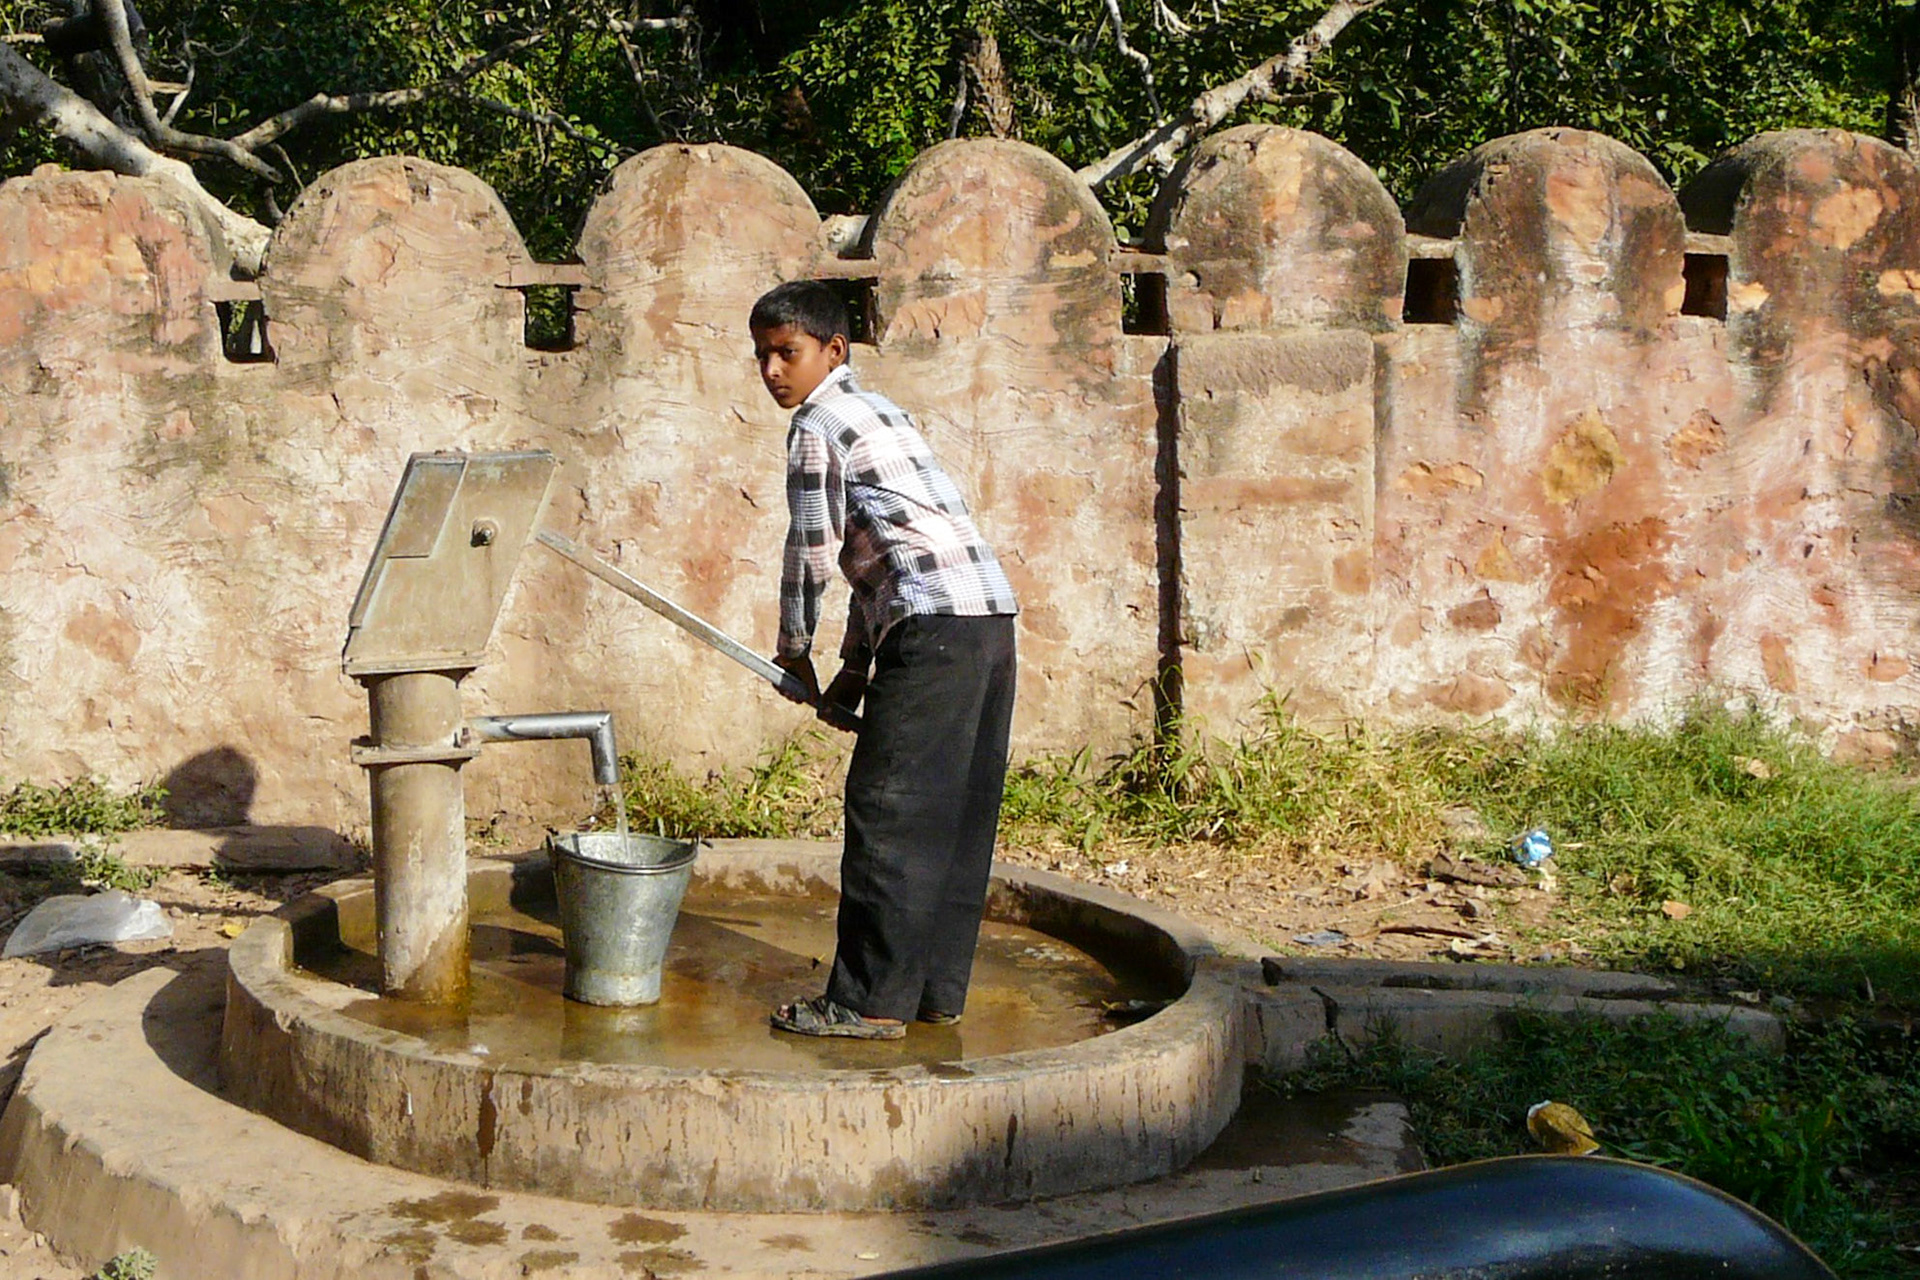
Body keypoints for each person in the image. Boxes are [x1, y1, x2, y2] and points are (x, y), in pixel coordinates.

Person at [749, 280, 1019, 1041]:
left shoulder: (817, 422)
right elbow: (888, 553)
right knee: (954, 814)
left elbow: (812, 549)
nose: (773, 371)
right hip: (986, 623)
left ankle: (865, 1001)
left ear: (833, 351)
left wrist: (794, 651)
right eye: (762, 356)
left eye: (787, 353)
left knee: (889, 811)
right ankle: (935, 992)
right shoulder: (879, 411)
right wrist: (856, 671)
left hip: (933, 629)